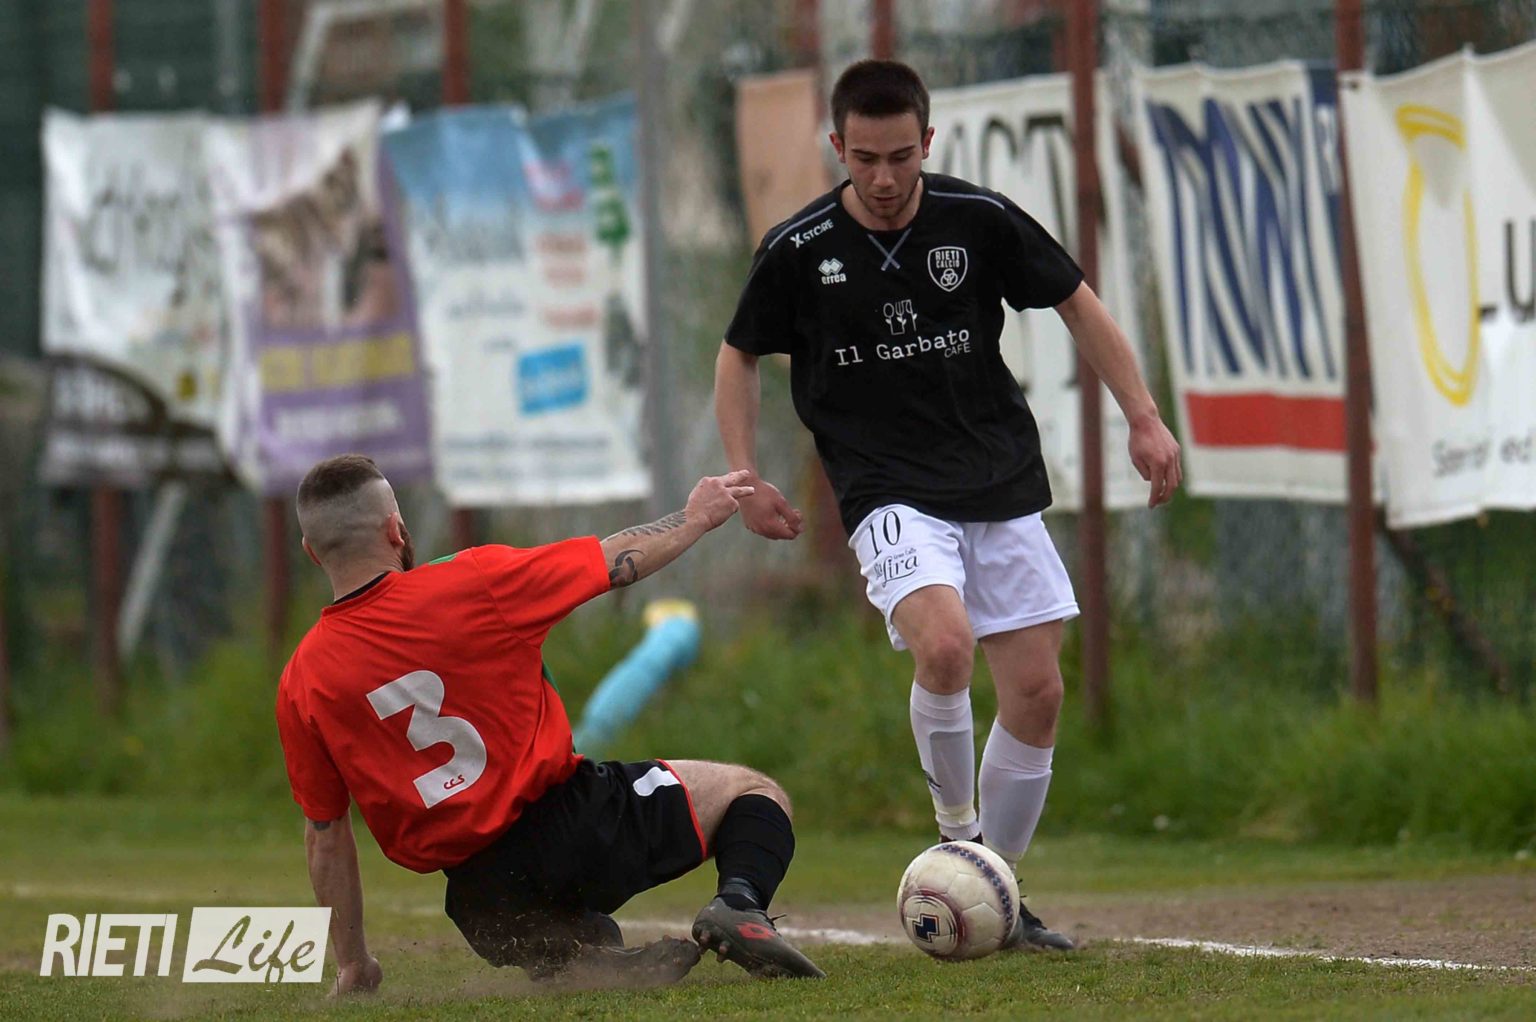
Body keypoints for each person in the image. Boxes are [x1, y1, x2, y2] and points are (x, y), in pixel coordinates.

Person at [714, 60, 1181, 951]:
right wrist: (745, 476)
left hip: (996, 477)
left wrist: (1145, 417)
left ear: (927, 141)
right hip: (885, 488)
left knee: (1038, 692)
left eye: (901, 156)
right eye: (864, 159)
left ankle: (993, 890)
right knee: (945, 645)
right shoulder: (798, 248)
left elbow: (1078, 303)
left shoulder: (979, 218)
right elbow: (738, 354)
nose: (884, 178)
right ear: (837, 147)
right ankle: (958, 842)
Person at [275, 454, 825, 994]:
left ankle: (587, 959)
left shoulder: (303, 679)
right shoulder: (470, 579)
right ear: (396, 529)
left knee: (568, 936)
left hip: (480, 901)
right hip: (575, 828)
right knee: (753, 792)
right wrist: (697, 516)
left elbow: (326, 837)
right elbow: (613, 561)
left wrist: (353, 964)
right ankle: (739, 904)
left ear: (311, 552)